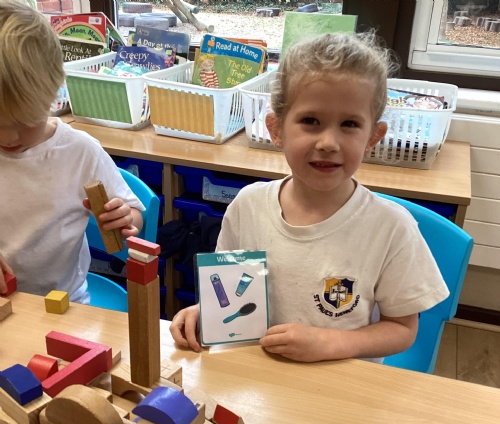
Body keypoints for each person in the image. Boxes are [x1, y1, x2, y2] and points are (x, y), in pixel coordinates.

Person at [170, 32, 449, 363]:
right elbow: (232, 295)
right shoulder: (247, 206)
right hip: (257, 374)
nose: (328, 142)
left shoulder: (392, 228)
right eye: (310, 121)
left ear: (372, 138)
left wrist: (332, 342)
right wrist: (206, 312)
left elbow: (402, 328)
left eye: (349, 124)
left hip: (339, 381)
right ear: (276, 130)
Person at [0, 0, 144, 303]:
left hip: (65, 302)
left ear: (54, 95)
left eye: (24, 122)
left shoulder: (81, 153)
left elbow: (133, 216)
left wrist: (123, 219)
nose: (8, 137)